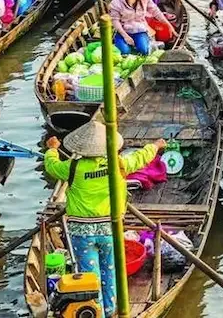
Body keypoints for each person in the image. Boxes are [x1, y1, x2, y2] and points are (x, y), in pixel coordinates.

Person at [44, 122, 165, 318]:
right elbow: (140, 157)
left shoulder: (72, 167)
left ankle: (96, 311)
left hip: (82, 233)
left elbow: (52, 166)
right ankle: (109, 309)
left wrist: (52, 150)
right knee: (110, 270)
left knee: (90, 275)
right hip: (110, 229)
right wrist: (156, 145)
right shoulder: (118, 164)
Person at [109, 0, 175, 55]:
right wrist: (126, 36)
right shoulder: (118, 1)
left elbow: (155, 11)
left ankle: (149, 43)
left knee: (143, 50)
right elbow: (115, 21)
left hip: (139, 30)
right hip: (124, 31)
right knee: (125, 52)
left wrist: (168, 25)